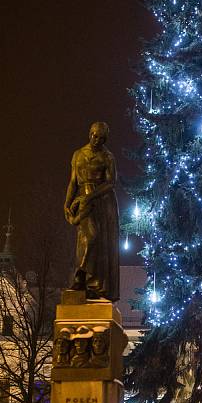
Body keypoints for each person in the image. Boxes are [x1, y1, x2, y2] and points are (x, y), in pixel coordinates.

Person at [64, 121, 120, 302]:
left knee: (99, 241)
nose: (96, 139)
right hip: (83, 200)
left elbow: (111, 183)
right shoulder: (78, 155)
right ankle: (83, 278)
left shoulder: (108, 157)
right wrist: (67, 203)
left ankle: (91, 281)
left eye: (100, 137)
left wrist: (91, 196)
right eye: (94, 135)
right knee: (86, 239)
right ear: (90, 134)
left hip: (102, 202)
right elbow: (73, 182)